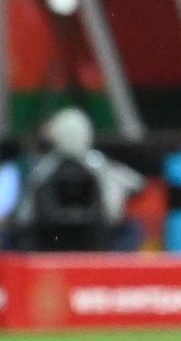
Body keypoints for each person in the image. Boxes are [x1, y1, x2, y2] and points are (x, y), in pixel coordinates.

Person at [4, 108, 144, 252]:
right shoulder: (102, 166)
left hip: (47, 244)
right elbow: (137, 185)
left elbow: (24, 216)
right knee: (132, 228)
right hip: (94, 243)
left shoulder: (38, 169)